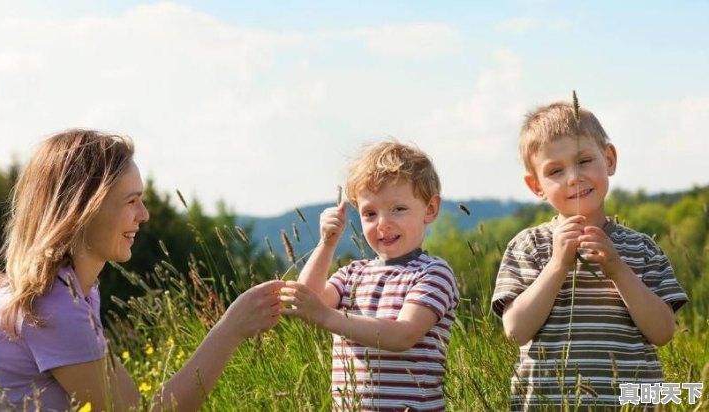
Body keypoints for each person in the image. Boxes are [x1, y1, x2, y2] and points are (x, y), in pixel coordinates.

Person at [0, 129, 284, 411]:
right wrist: (231, 329)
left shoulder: (70, 290)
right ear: (84, 210)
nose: (144, 215)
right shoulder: (52, 306)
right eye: (131, 201)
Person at [491, 102, 689, 410]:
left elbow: (663, 332)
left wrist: (618, 269)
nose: (573, 177)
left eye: (584, 161)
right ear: (535, 185)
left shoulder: (643, 249)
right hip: (550, 404)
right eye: (555, 171)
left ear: (608, 159)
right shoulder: (529, 246)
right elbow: (515, 331)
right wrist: (557, 265)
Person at [280, 141, 460, 411]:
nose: (382, 223)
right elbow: (306, 301)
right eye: (369, 213)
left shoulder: (433, 272)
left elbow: (403, 335)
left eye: (398, 208)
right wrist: (327, 243)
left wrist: (326, 316)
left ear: (430, 209)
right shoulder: (352, 273)